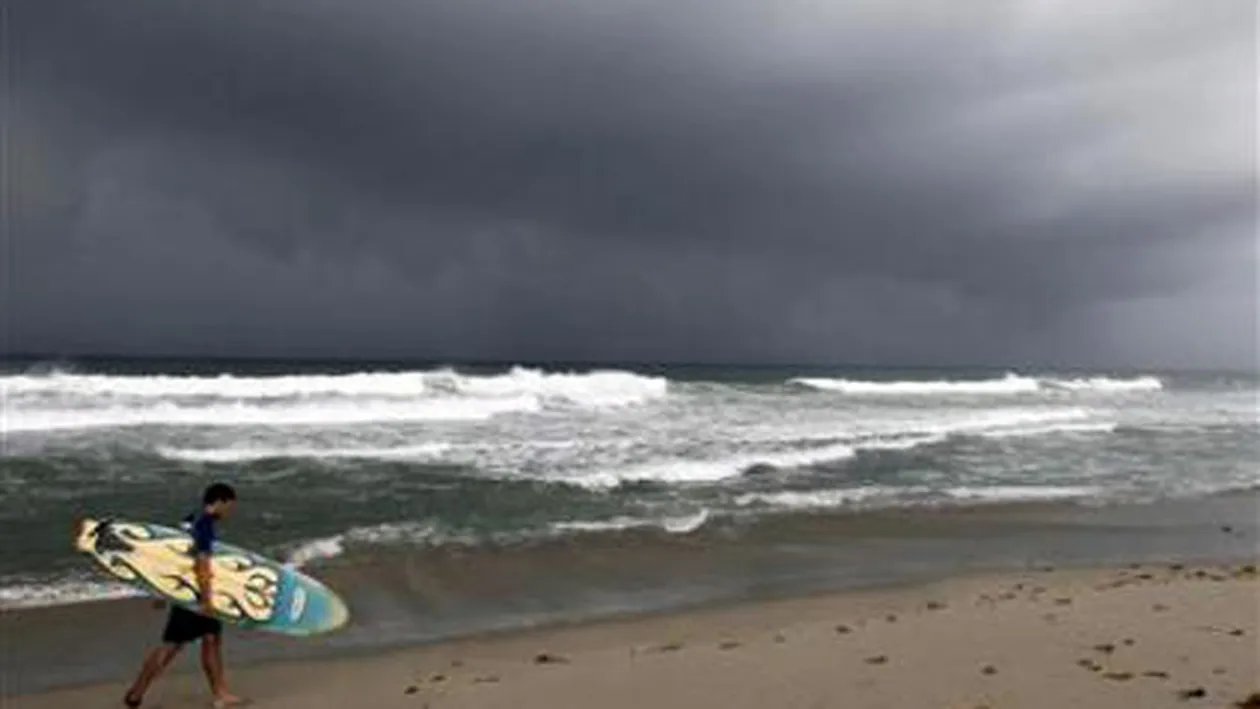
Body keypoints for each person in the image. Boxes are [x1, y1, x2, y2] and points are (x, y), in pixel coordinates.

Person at [123, 482, 247, 708]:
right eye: (229, 506)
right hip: (198, 595)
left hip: (184, 591)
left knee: (210, 640)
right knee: (173, 645)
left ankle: (220, 693)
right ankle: (137, 691)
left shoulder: (189, 520)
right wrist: (208, 600)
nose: (229, 511)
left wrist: (163, 591)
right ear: (219, 501)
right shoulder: (206, 525)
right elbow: (201, 564)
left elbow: (171, 556)